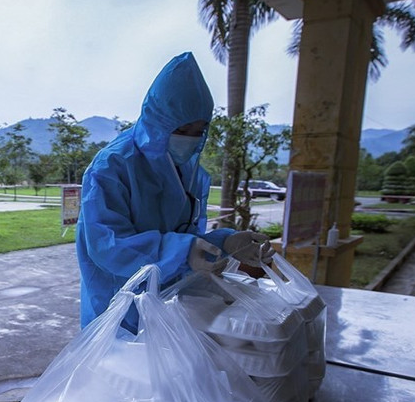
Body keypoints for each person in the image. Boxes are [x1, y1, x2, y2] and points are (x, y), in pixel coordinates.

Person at [76, 51, 274, 327]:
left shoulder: (186, 168)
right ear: (159, 120)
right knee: (121, 366)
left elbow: (184, 236)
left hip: (168, 306)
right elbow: (108, 246)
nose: (191, 140)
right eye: (183, 128)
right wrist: (183, 251)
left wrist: (225, 243)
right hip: (118, 309)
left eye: (199, 130)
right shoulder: (112, 167)